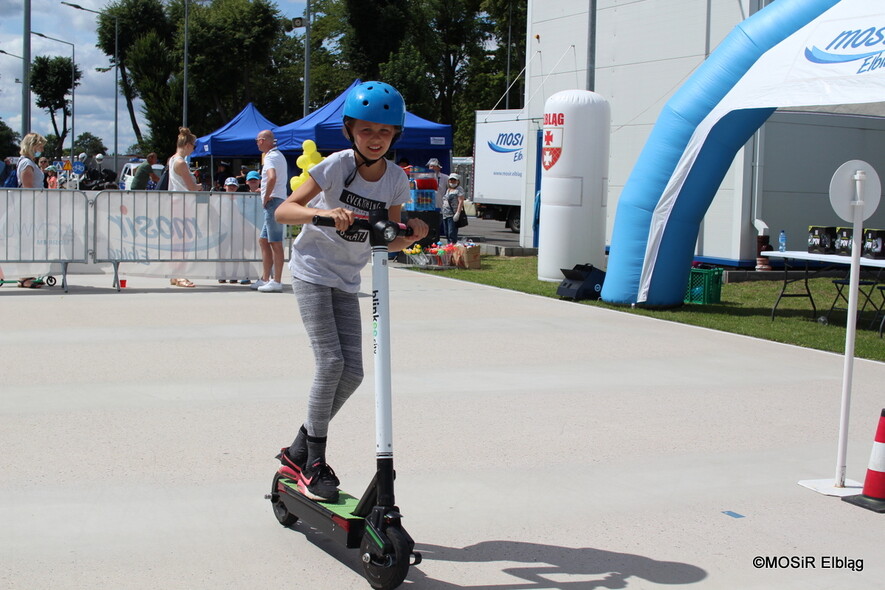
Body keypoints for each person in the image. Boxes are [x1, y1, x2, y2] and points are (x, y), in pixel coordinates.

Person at [273, 81, 429, 502]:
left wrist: (411, 234)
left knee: (354, 373)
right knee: (330, 362)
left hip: (348, 278)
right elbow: (285, 209)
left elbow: (388, 238)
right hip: (311, 270)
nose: (375, 139)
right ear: (350, 132)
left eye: (383, 131)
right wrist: (323, 214)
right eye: (366, 131)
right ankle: (313, 462)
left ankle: (299, 447)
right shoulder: (337, 166)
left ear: (395, 134)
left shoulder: (396, 180)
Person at [252, 129, 288, 293]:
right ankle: (266, 278)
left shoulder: (270, 157)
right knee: (264, 240)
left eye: (259, 139)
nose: (257, 142)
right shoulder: (277, 155)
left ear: (266, 140)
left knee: (275, 242)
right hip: (276, 200)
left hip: (273, 202)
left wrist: (266, 195)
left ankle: (277, 280)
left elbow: (272, 177)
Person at [166, 127, 200, 288]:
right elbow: (191, 187)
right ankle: (180, 275)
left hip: (177, 202)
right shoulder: (181, 162)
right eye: (193, 146)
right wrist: (200, 186)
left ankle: (176, 274)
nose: (193, 149)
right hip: (183, 203)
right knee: (182, 241)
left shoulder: (172, 159)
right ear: (187, 145)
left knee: (178, 240)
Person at [442, 173, 466, 244]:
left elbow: (461, 201)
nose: (452, 182)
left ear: (458, 181)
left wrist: (458, 213)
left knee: (451, 233)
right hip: (445, 213)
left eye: (454, 180)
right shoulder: (448, 190)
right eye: (451, 180)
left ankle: (453, 247)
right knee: (446, 232)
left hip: (452, 214)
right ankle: (449, 247)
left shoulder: (459, 189)